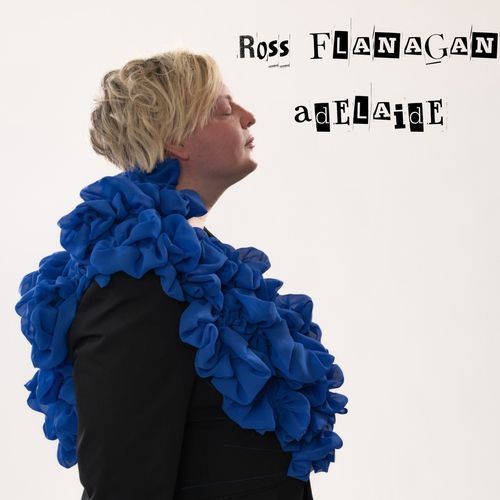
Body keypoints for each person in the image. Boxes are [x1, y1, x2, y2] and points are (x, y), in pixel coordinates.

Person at [16, 49, 348, 500]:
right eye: (226, 109)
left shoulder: (196, 268)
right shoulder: (135, 282)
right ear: (177, 140)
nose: (248, 117)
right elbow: (122, 485)